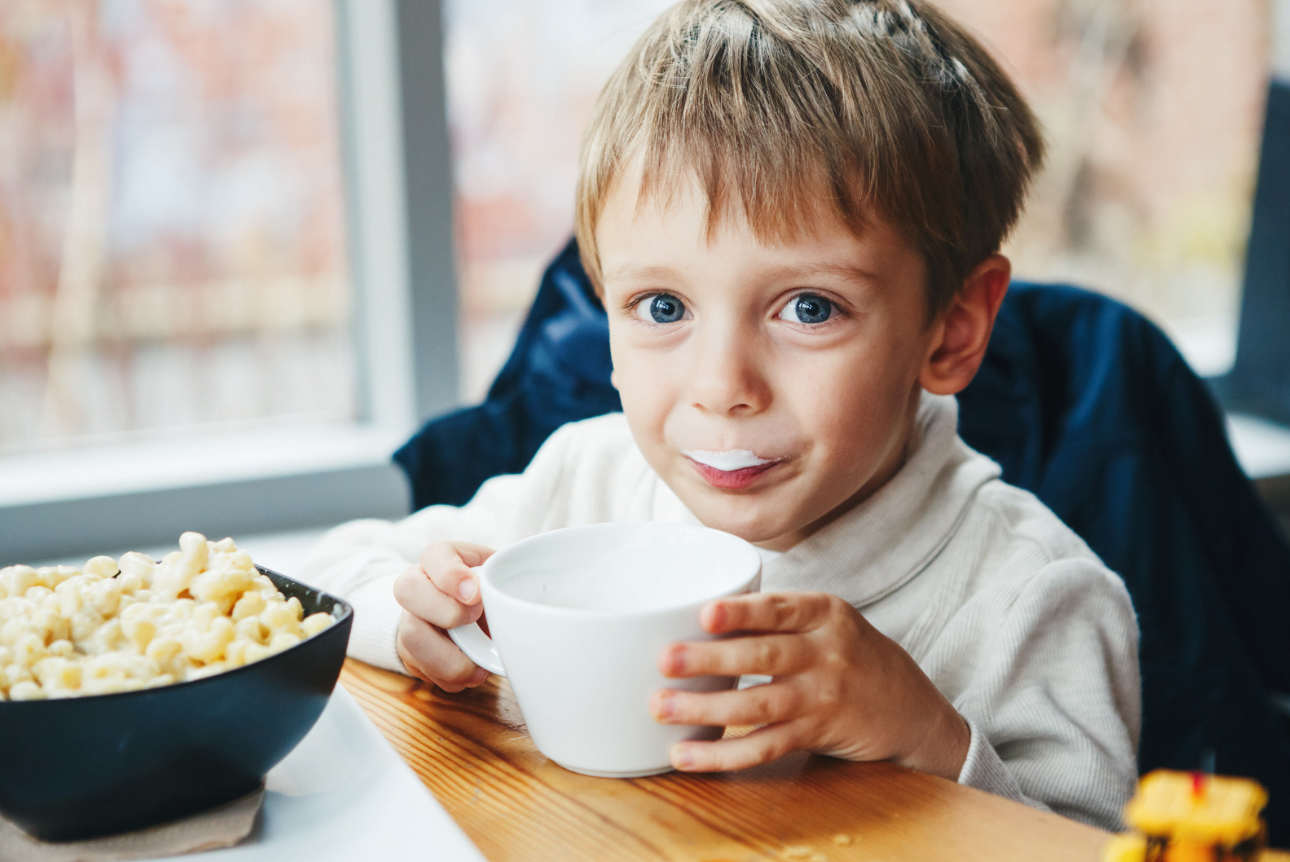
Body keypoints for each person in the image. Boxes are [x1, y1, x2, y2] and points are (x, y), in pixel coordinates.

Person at [298, 0, 1139, 830]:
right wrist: (411, 620)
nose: (721, 386)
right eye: (662, 307)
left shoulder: (1039, 600)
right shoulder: (587, 481)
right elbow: (326, 581)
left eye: (809, 309)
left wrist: (932, 736)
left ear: (951, 330)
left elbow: (1094, 844)